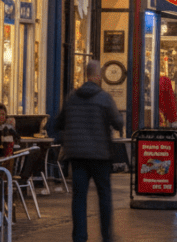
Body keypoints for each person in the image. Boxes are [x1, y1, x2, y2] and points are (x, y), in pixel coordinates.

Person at [52, 59, 124, 242]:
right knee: (104, 196)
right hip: (100, 155)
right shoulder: (104, 98)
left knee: (79, 198)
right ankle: (106, 236)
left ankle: (79, 237)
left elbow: (58, 123)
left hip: (77, 156)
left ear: (86, 75)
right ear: (98, 76)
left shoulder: (72, 98)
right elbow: (118, 122)